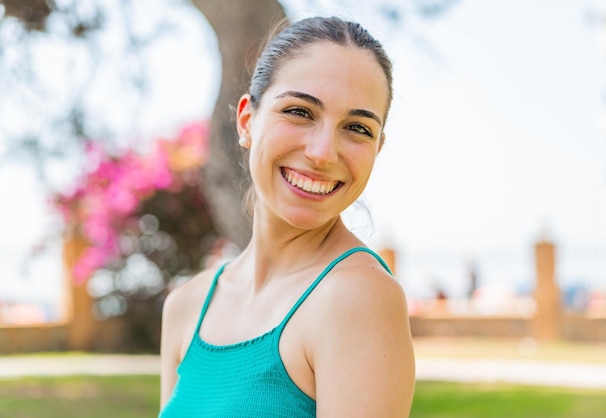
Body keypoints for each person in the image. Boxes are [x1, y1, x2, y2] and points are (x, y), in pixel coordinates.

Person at [159, 15, 416, 417]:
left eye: (357, 128)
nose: (323, 152)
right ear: (247, 121)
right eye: (299, 112)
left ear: (377, 150)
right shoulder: (186, 306)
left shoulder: (358, 299)